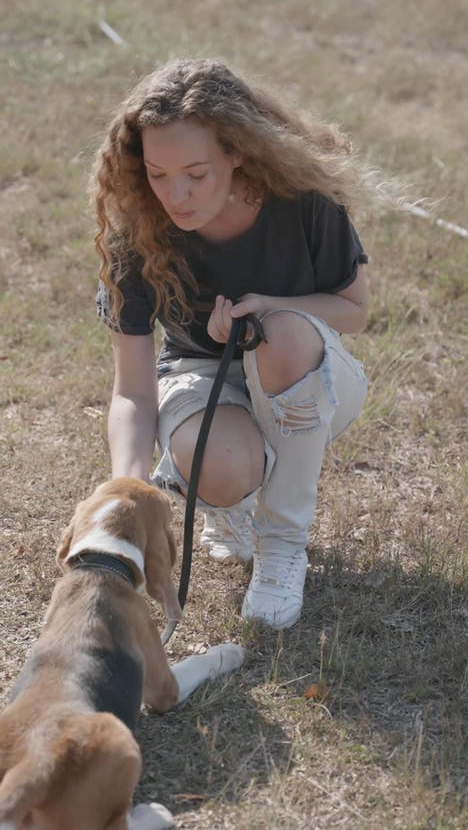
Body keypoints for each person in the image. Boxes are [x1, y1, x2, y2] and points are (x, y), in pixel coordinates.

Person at [90, 57, 370, 630]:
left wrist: (271, 307)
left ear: (237, 151)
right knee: (219, 466)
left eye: (196, 173)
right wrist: (127, 493)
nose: (176, 195)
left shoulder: (303, 199)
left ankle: (283, 544)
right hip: (198, 373)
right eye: (158, 174)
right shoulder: (136, 232)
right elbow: (134, 394)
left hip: (309, 376)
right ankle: (227, 502)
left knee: (285, 333)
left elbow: (355, 310)